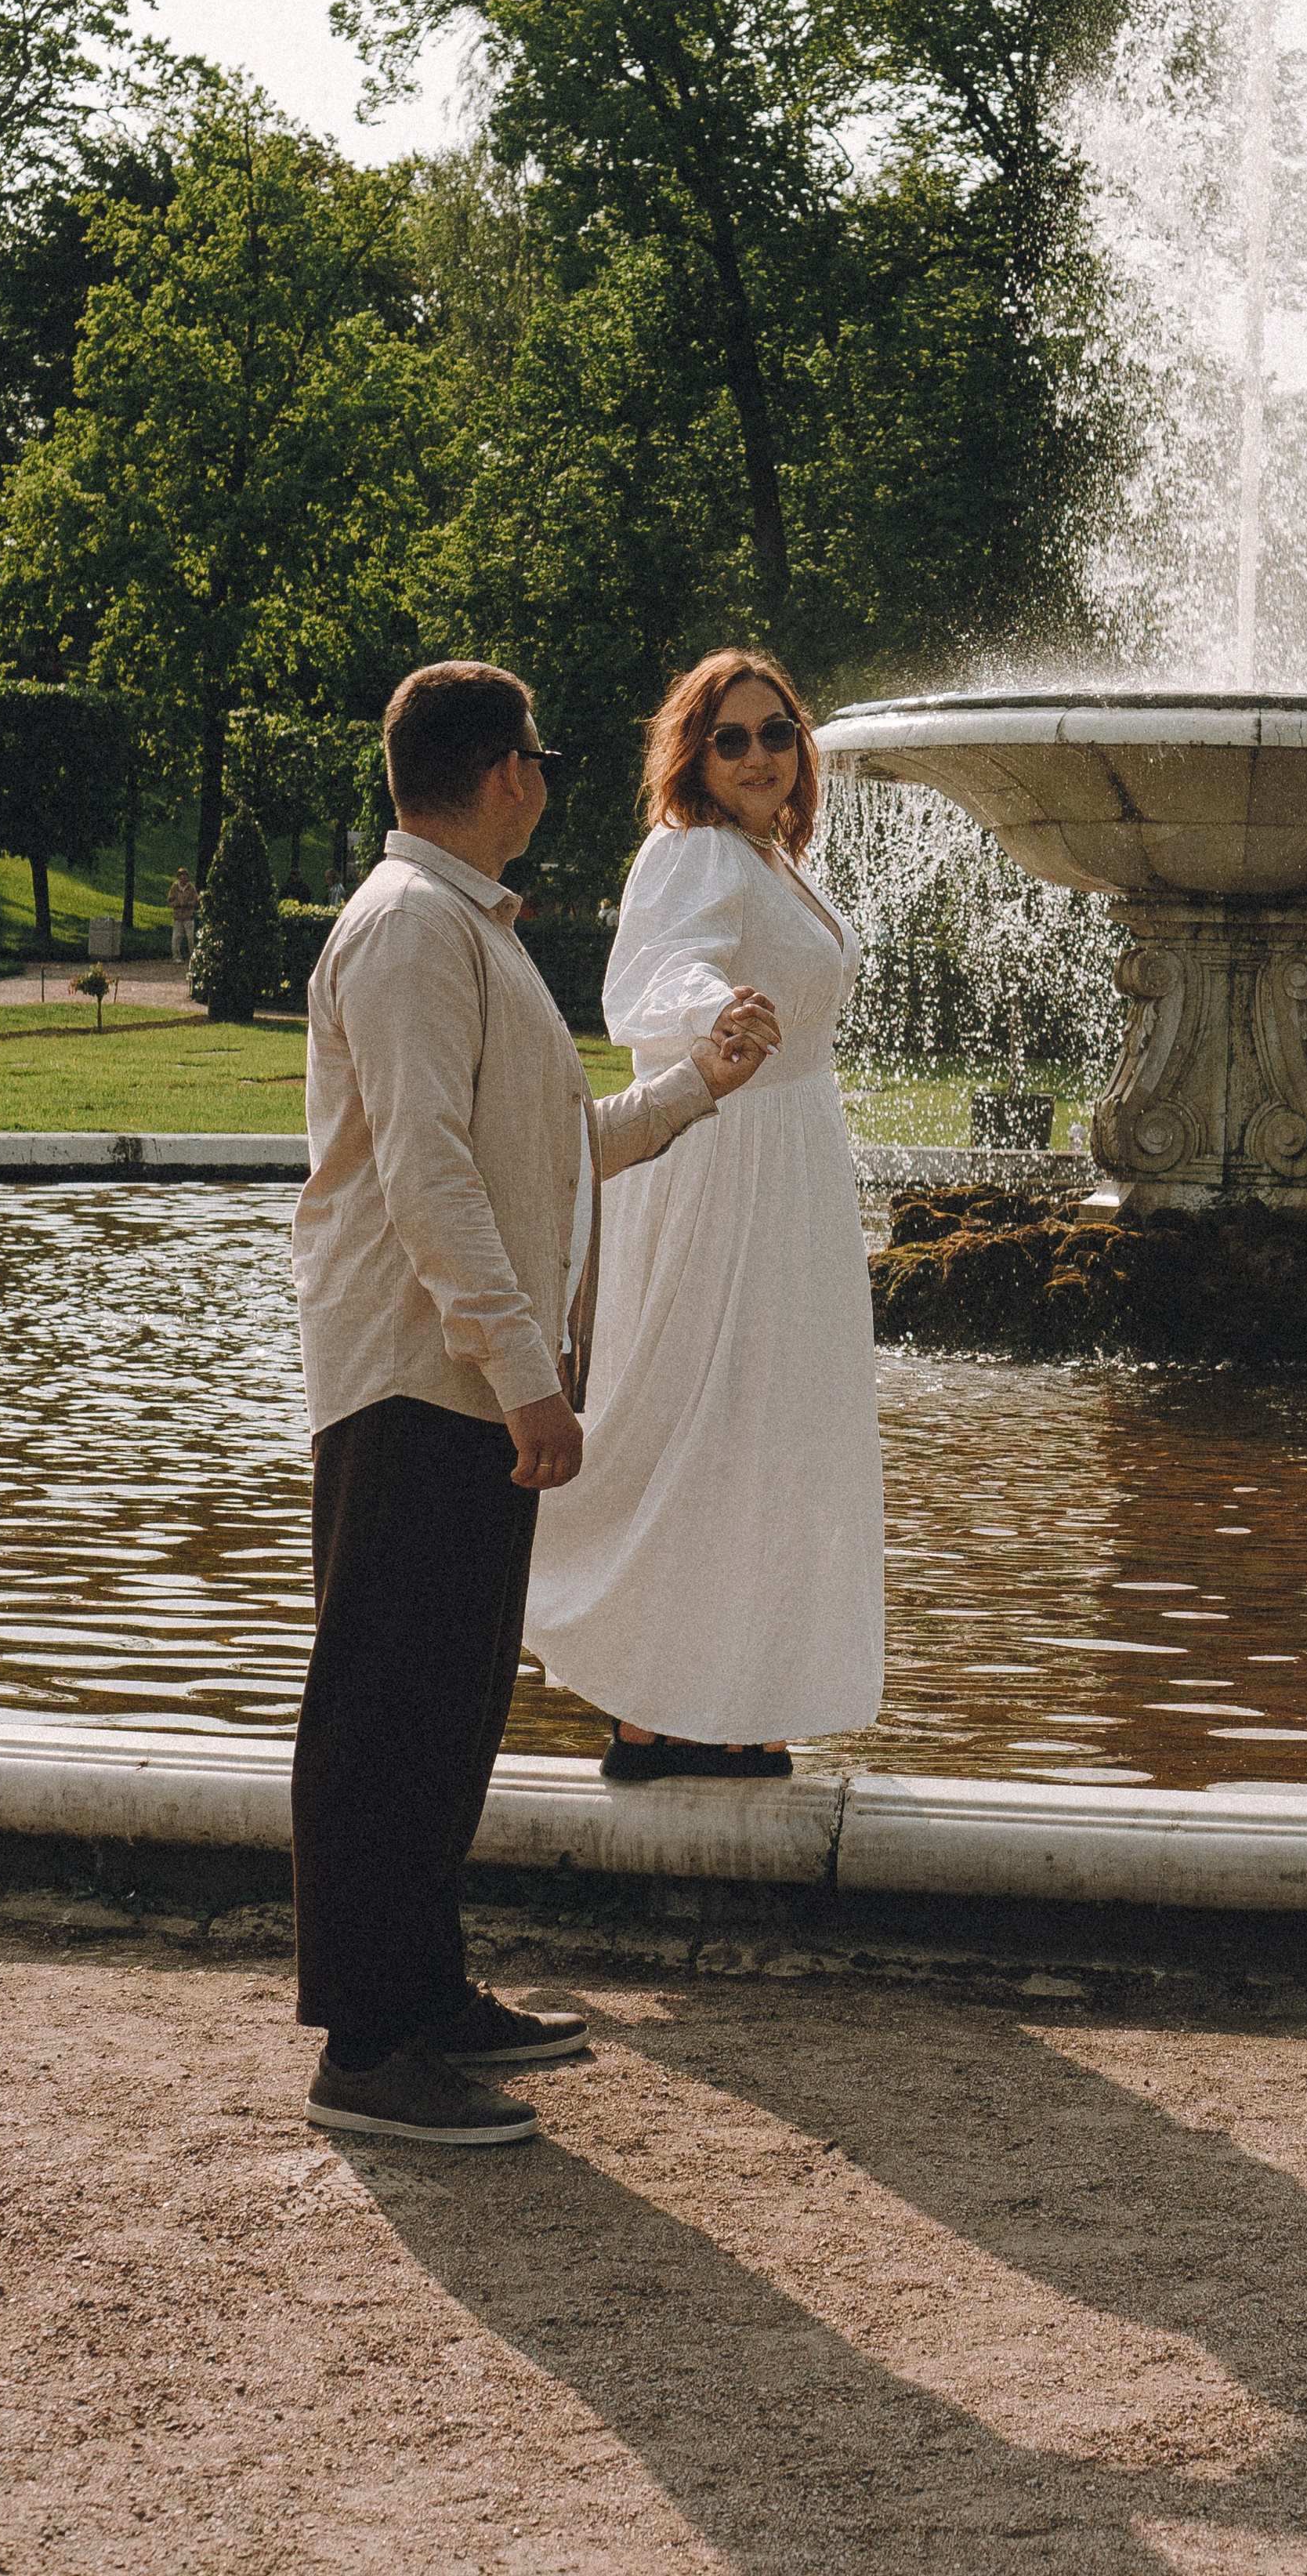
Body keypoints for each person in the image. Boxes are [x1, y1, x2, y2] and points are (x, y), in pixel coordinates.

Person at [288, 659, 774, 2147]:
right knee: (385, 1708)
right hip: (419, 1379)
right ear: (506, 772)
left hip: (462, 1383)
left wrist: (699, 1080)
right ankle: (367, 2048)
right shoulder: (409, 932)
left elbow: (545, 1155)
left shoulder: (461, 930)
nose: (549, 780)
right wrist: (524, 1381)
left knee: (447, 1702)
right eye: (542, 759)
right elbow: (430, 1176)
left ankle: (424, 1993)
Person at [525, 648, 885, 1777]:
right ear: (694, 753)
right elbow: (648, 975)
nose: (759, 756)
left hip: (795, 1168)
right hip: (724, 1163)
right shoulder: (689, 852)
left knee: (774, 1434)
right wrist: (714, 1011)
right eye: (731, 738)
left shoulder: (773, 858)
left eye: (775, 732)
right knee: (697, 1417)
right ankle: (646, 1707)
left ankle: (734, 1694)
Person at [167, 868, 197, 964]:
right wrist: (177, 903)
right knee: (176, 937)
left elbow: (196, 900)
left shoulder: (191, 888)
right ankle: (176, 956)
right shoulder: (175, 887)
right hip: (178, 916)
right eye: (181, 875)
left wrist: (188, 904)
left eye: (185, 875)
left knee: (190, 938)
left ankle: (193, 957)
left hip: (188, 916)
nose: (183, 877)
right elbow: (170, 899)